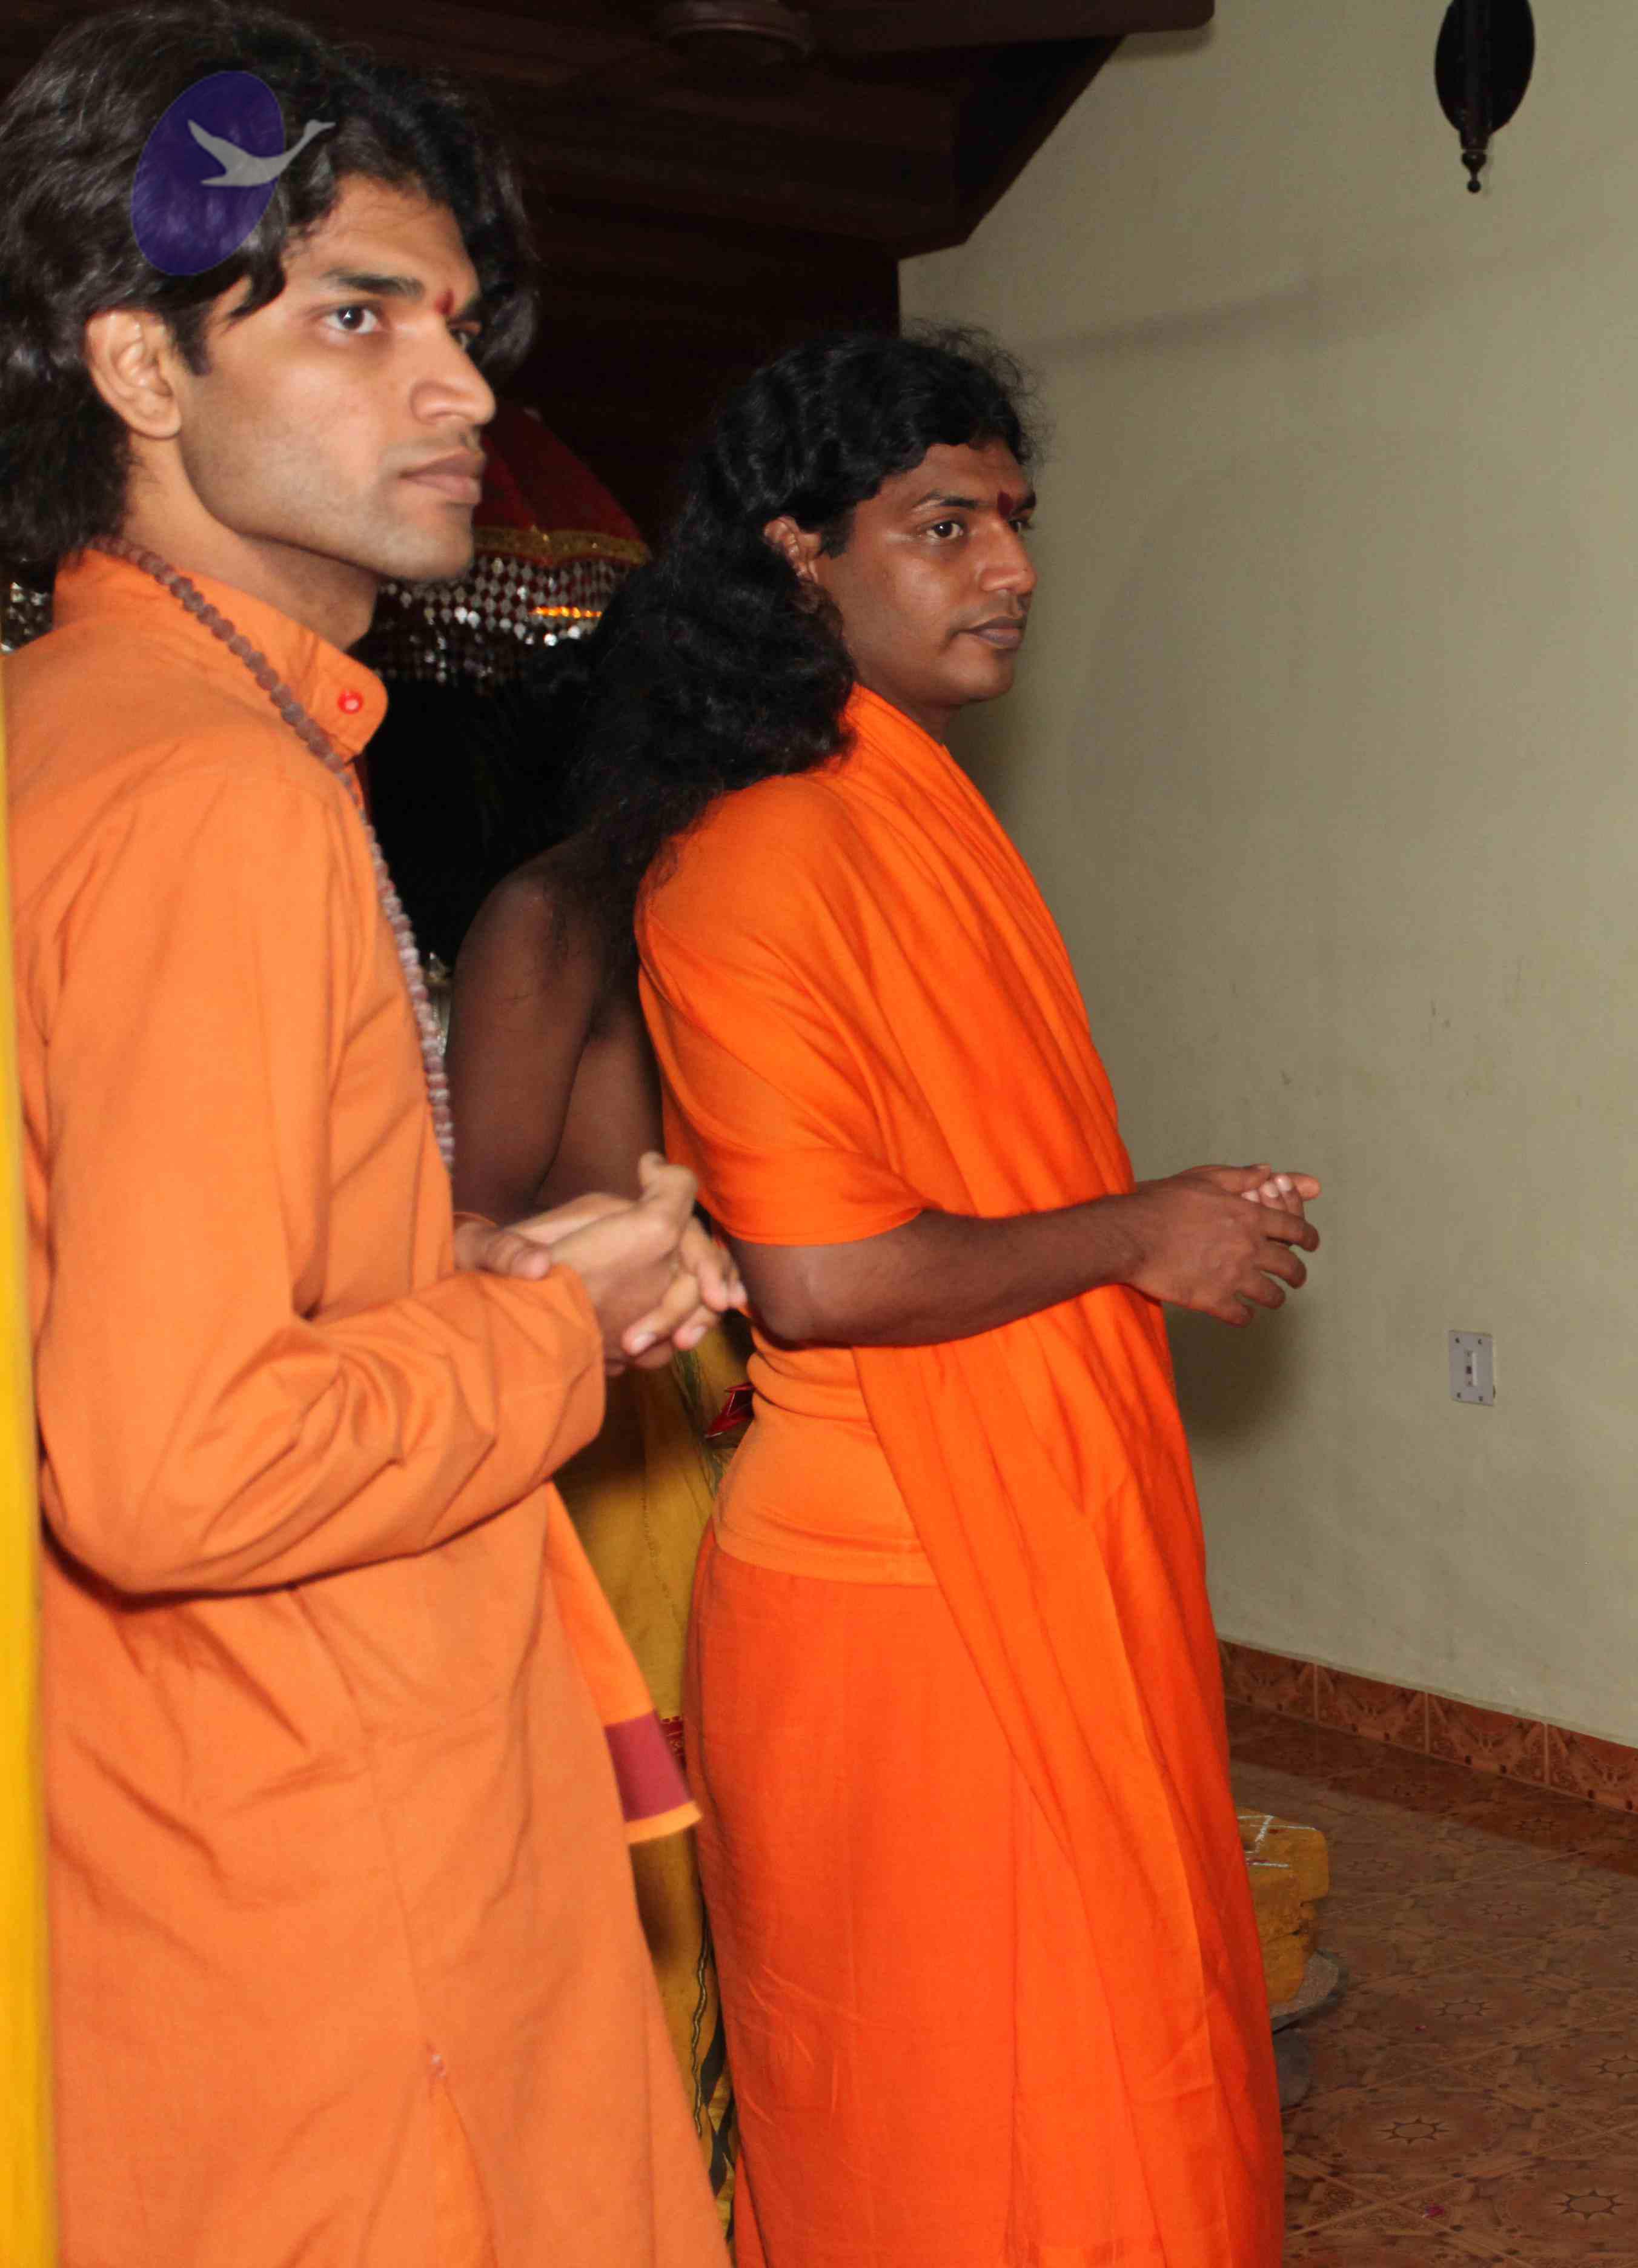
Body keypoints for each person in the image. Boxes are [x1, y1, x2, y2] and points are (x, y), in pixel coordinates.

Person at [0, 8, 732, 2262]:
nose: (463, 389)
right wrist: (554, 1334)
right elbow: (173, 1463)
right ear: (141, 369)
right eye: (353, 317)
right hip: (338, 1878)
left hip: (168, 1820)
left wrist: (465, 1275)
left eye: (456, 323)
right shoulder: (212, 793)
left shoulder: (77, 723)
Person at [585, 327, 1323, 2268]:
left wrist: (1144, 1226)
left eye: (1014, 519)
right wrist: (1139, 1234)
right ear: (799, 556)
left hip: (1014, 1539)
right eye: (944, 526)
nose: (1011, 567)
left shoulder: (908, 813)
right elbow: (823, 1274)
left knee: (1100, 2080)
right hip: (896, 1601)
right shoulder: (753, 858)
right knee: (953, 2134)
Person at [449, 754, 751, 2204]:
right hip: (609, 1423)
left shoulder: (756, 895)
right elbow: (471, 1225)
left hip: (733, 1407)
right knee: (653, 1844)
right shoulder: (555, 919)